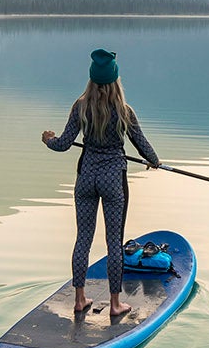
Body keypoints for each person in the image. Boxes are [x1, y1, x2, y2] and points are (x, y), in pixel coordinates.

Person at [41, 48, 164, 321]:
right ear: (115, 80)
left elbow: (62, 144)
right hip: (112, 180)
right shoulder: (123, 111)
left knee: (82, 238)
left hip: (86, 178)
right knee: (113, 242)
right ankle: (116, 303)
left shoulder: (80, 106)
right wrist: (154, 160)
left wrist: (48, 139)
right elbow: (141, 144)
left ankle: (79, 299)